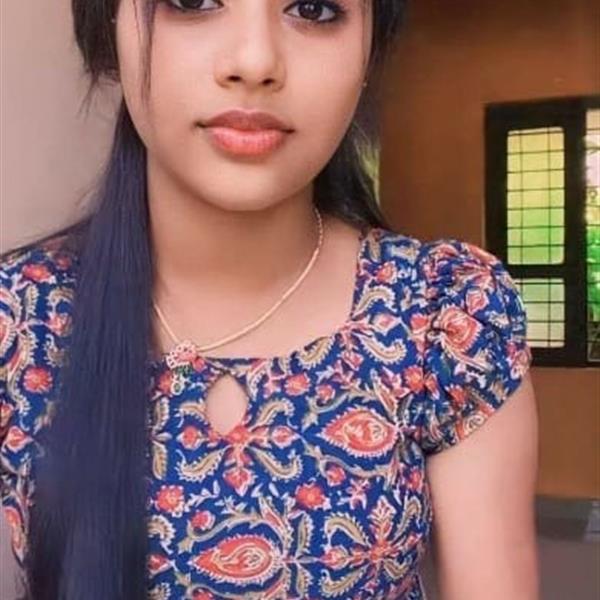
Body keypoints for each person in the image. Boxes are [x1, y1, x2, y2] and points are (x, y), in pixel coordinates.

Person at [0, 1, 540, 598]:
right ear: (111, 27)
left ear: (369, 49)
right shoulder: (19, 317)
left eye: (314, 7)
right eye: (192, 1)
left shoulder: (444, 315)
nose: (255, 62)